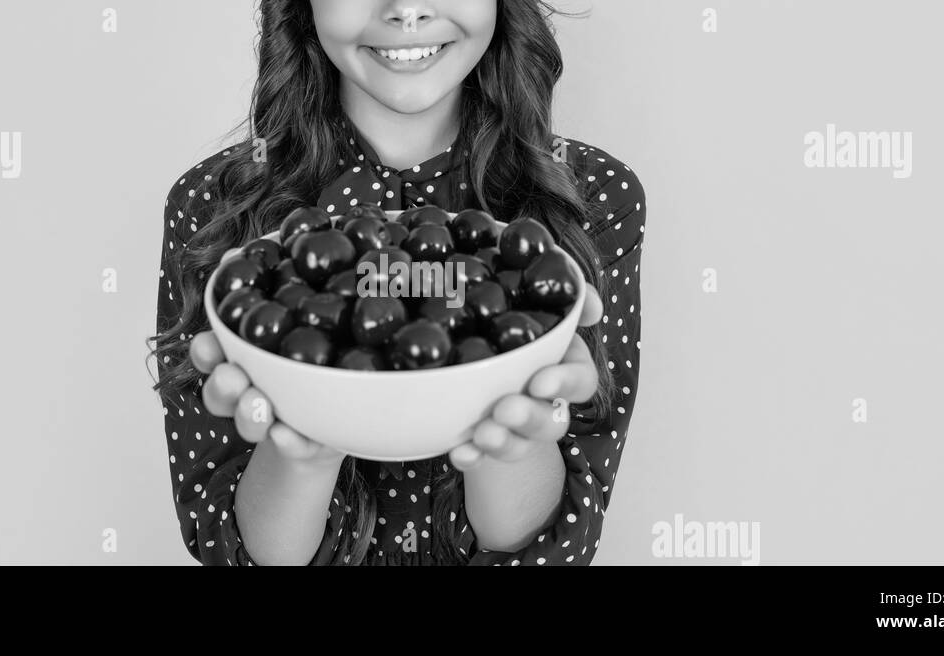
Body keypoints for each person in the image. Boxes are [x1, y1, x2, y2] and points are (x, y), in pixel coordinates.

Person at [149, 0, 646, 565]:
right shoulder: (216, 208)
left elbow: (553, 546)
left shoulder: (589, 201)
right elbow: (239, 549)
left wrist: (512, 437)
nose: (406, 10)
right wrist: (303, 448)